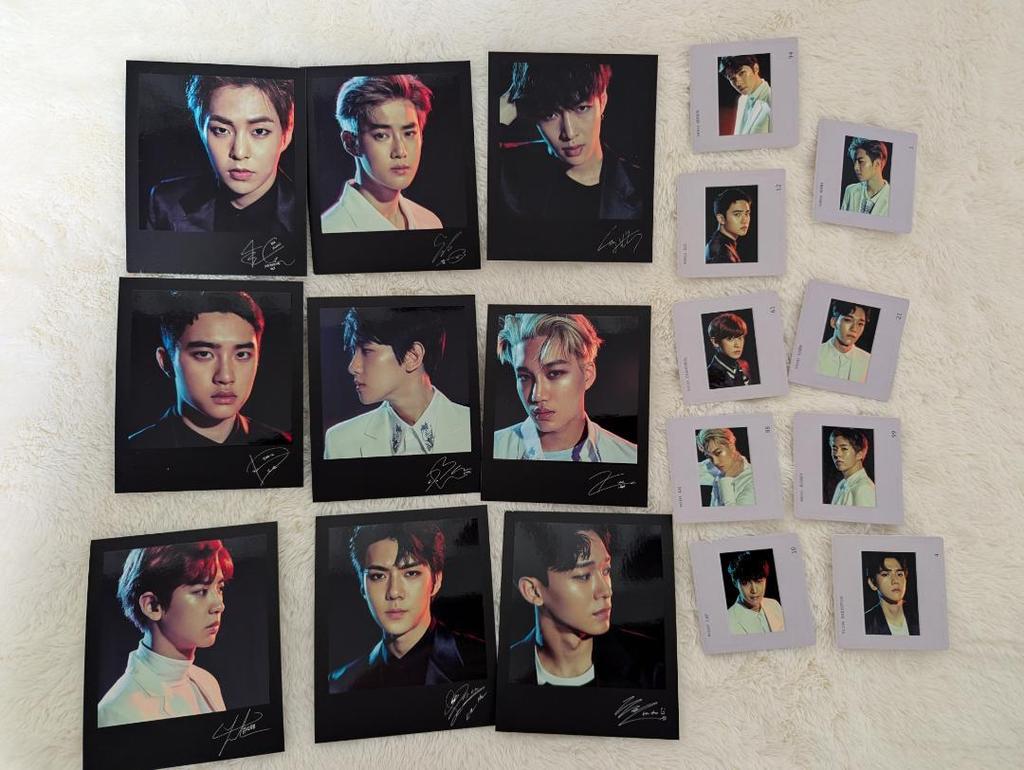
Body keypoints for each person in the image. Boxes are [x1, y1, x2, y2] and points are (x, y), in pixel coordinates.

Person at [328, 522, 486, 693]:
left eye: (411, 573)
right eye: (378, 576)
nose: (394, 592)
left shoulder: (481, 663)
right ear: (362, 587)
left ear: (436, 581)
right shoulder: (340, 684)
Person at [507, 522, 663, 687]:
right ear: (533, 591)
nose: (606, 591)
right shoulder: (505, 667)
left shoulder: (650, 666)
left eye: (606, 570)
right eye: (583, 576)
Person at [129, 291, 291, 448]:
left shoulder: (281, 445)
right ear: (165, 362)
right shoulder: (137, 449)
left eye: (242, 354)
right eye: (204, 354)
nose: (225, 377)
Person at [98, 540, 232, 727]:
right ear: (152, 606)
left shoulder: (207, 682)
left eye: (220, 588)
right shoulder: (117, 711)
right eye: (201, 591)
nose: (219, 605)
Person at [497, 59, 645, 220]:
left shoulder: (641, 186)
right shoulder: (512, 172)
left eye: (582, 108)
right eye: (550, 114)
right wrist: (507, 105)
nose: (569, 133)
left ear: (602, 102)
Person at [146, 75, 295, 233]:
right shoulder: (166, 204)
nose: (239, 152)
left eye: (259, 131)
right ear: (201, 130)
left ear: (286, 133)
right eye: (221, 130)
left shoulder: (304, 212)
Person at [323, 306, 471, 459]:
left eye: (367, 351)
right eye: (354, 352)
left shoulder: (472, 428)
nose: (352, 367)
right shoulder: (340, 441)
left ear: (412, 356)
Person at [493, 313, 637, 463]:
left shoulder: (630, 458)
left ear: (587, 375)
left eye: (554, 373)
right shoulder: (493, 449)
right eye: (524, 377)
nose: (537, 395)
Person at [321, 74, 442, 233]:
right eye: (381, 135)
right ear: (351, 143)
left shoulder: (430, 222)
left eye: (409, 133)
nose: (400, 151)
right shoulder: (332, 228)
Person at [726, 551, 784, 634]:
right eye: (745, 583)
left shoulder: (774, 604)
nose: (754, 590)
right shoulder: (729, 621)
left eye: (759, 581)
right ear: (735, 582)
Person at [817, 299, 873, 383]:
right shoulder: (815, 353)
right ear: (834, 322)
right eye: (848, 320)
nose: (854, 329)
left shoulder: (869, 362)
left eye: (860, 324)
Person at [696, 427, 755, 506]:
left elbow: (732, 513)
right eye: (709, 457)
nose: (715, 462)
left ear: (732, 447)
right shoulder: (717, 468)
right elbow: (686, 474)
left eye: (718, 453)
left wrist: (727, 478)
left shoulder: (752, 481)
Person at [863, 553, 919, 636]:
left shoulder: (919, 616)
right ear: (872, 583)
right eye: (885, 574)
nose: (895, 581)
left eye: (899, 574)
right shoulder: (866, 624)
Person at [719, 55, 771, 135]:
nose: (738, 83)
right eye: (732, 78)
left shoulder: (772, 100)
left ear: (756, 68)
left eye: (742, 73)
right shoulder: (742, 100)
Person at [840, 138, 891, 216]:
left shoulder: (893, 199)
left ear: (877, 163)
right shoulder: (850, 191)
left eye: (861, 162)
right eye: (855, 162)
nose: (855, 167)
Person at [828, 427, 876, 507]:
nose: (837, 454)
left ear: (860, 454)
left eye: (844, 449)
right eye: (834, 448)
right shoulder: (841, 485)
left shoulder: (864, 489)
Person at [706, 312, 752, 389]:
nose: (737, 345)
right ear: (715, 342)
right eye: (730, 339)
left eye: (740, 338)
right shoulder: (711, 377)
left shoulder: (744, 367)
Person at [705, 188, 752, 264]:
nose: (745, 220)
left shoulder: (721, 244)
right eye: (737, 214)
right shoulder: (722, 254)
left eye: (747, 213)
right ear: (721, 219)